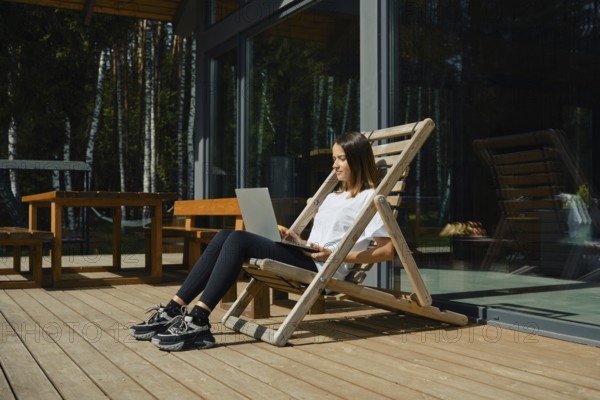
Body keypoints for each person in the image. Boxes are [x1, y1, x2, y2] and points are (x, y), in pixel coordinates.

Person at [129, 131, 394, 351]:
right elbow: (320, 239)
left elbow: (387, 250)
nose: (334, 165)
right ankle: (174, 309)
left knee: (237, 241)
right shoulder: (334, 196)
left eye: (341, 159)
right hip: (306, 256)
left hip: (323, 268)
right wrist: (295, 238)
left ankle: (198, 320)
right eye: (334, 158)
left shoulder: (370, 199)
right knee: (224, 235)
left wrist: (334, 256)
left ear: (357, 161)